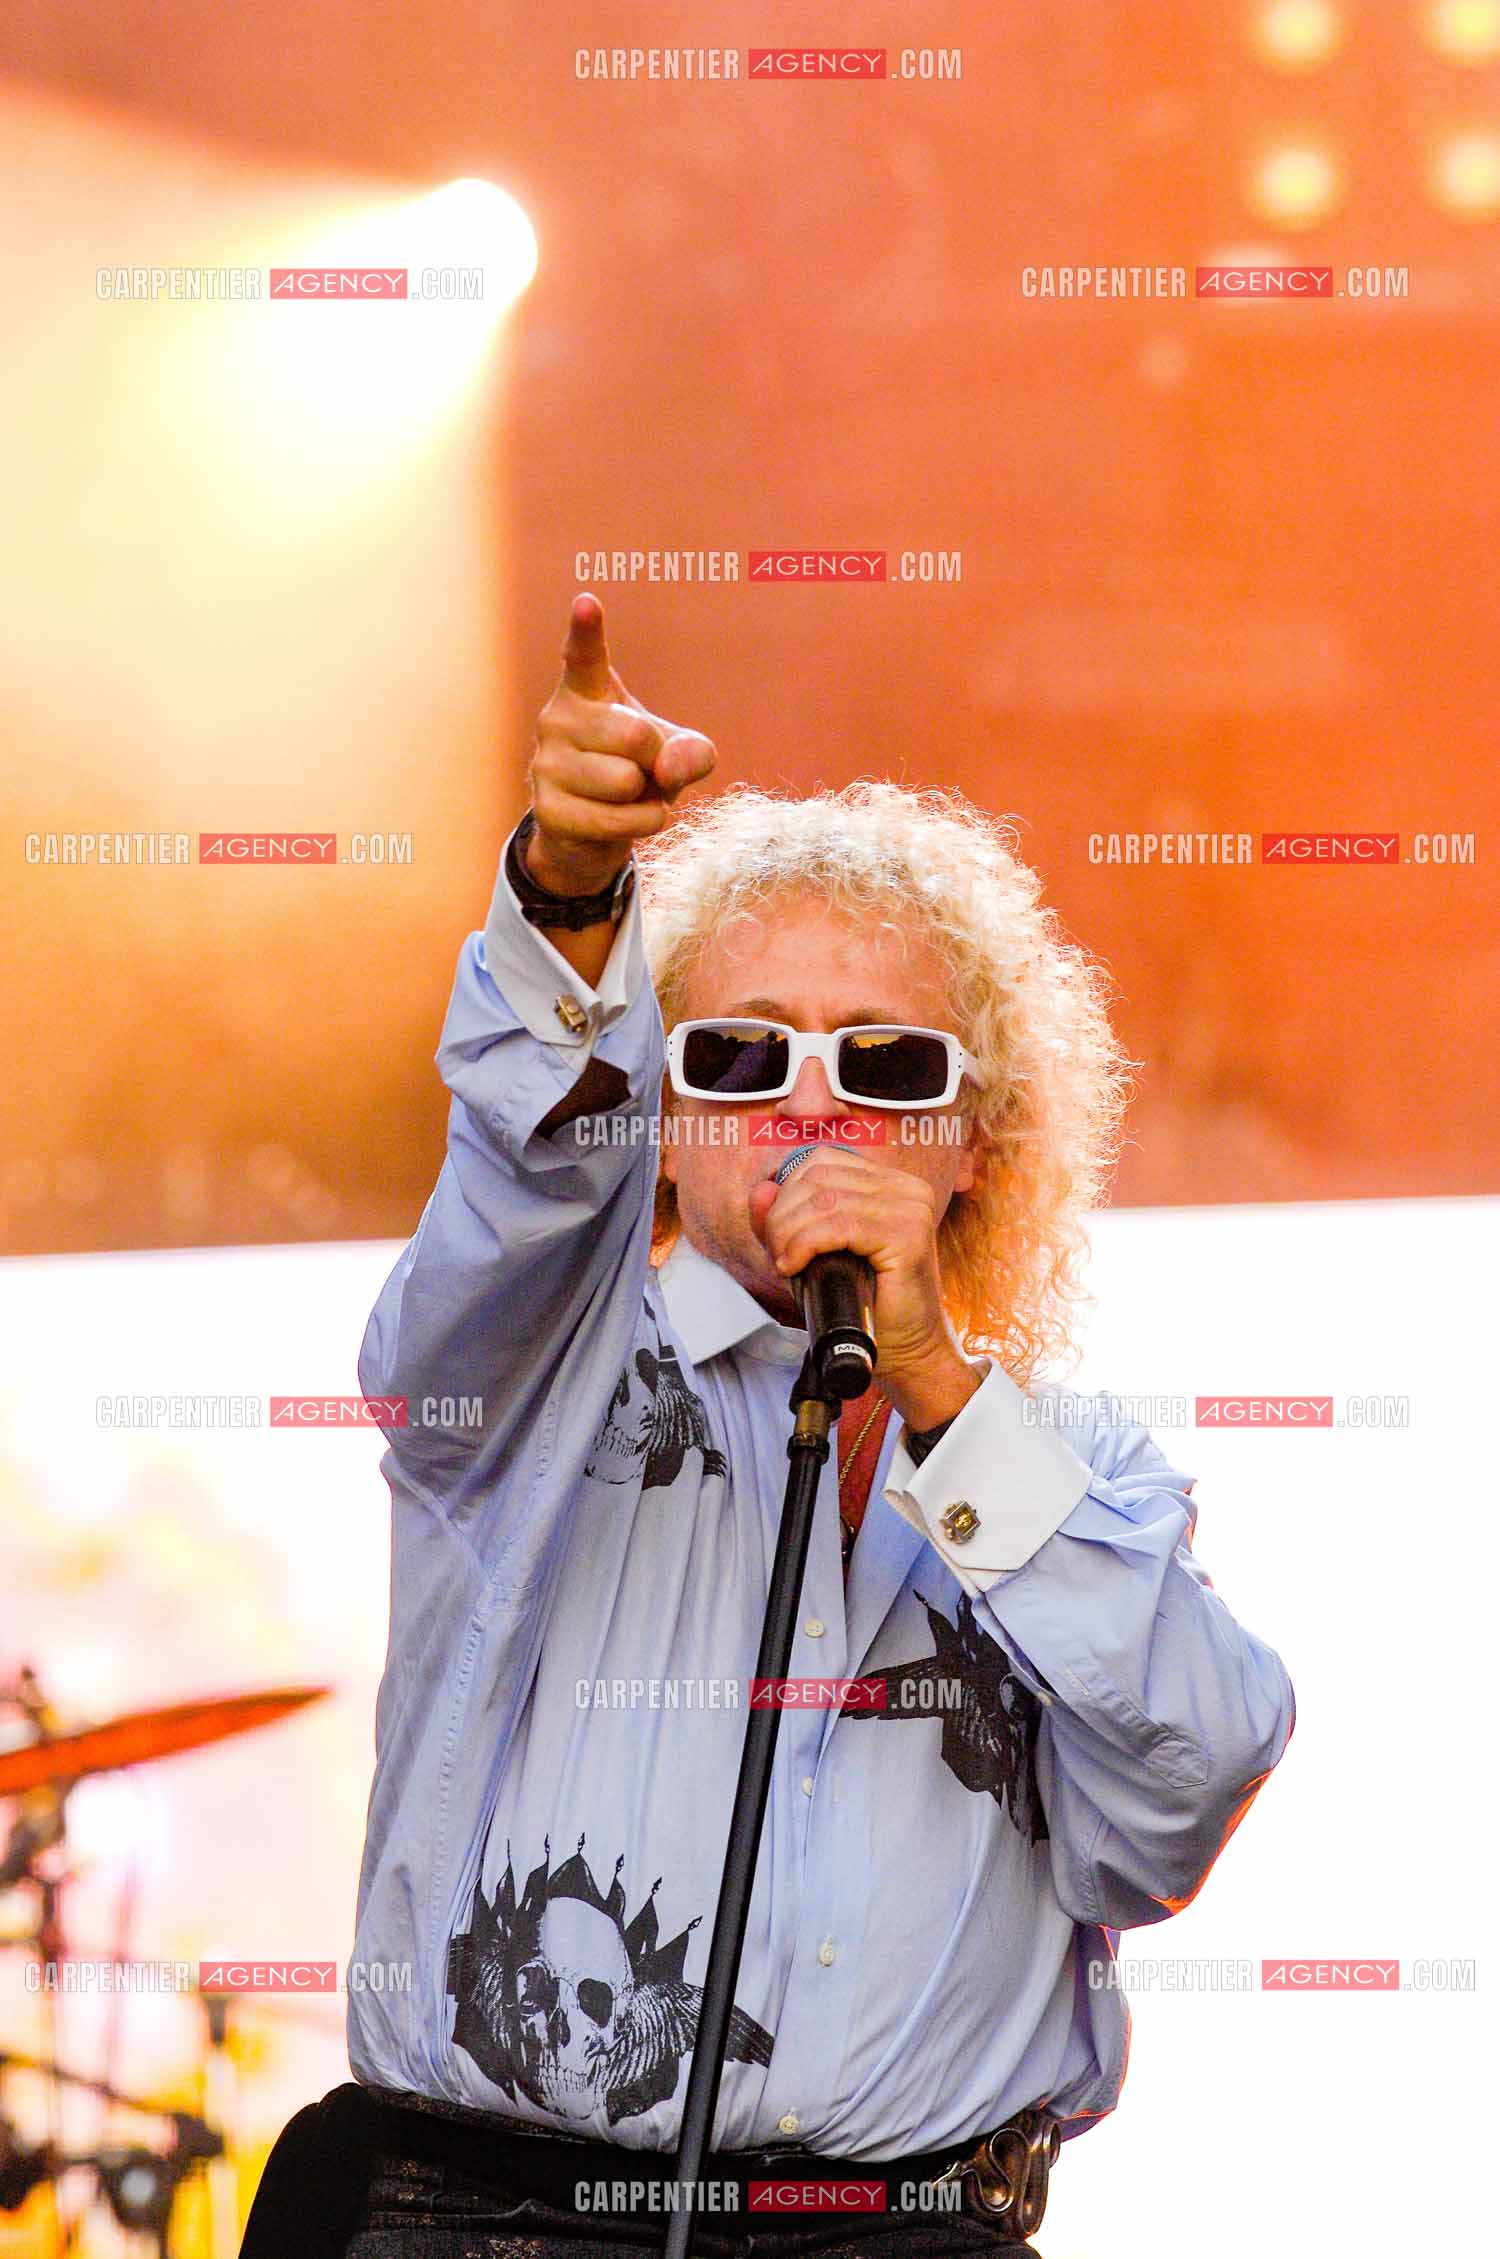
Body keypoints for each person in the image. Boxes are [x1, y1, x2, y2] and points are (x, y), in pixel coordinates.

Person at [241, 594, 1295, 2259]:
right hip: (502, 2223)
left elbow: (1186, 1792)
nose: (810, 1101)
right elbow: (524, 1179)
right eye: (735, 1053)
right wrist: (572, 906)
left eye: (884, 1061)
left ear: (979, 1144)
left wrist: (933, 1387)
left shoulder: (1080, 1475)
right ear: (659, 1129)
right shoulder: (526, 1383)